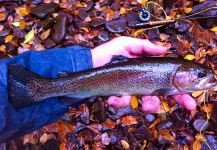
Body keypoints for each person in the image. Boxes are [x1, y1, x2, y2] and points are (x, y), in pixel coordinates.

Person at [0, 36, 196, 143]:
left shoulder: (170, 80)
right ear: (180, 75)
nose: (205, 81)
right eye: (200, 76)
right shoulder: (169, 82)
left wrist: (88, 61)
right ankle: (42, 89)